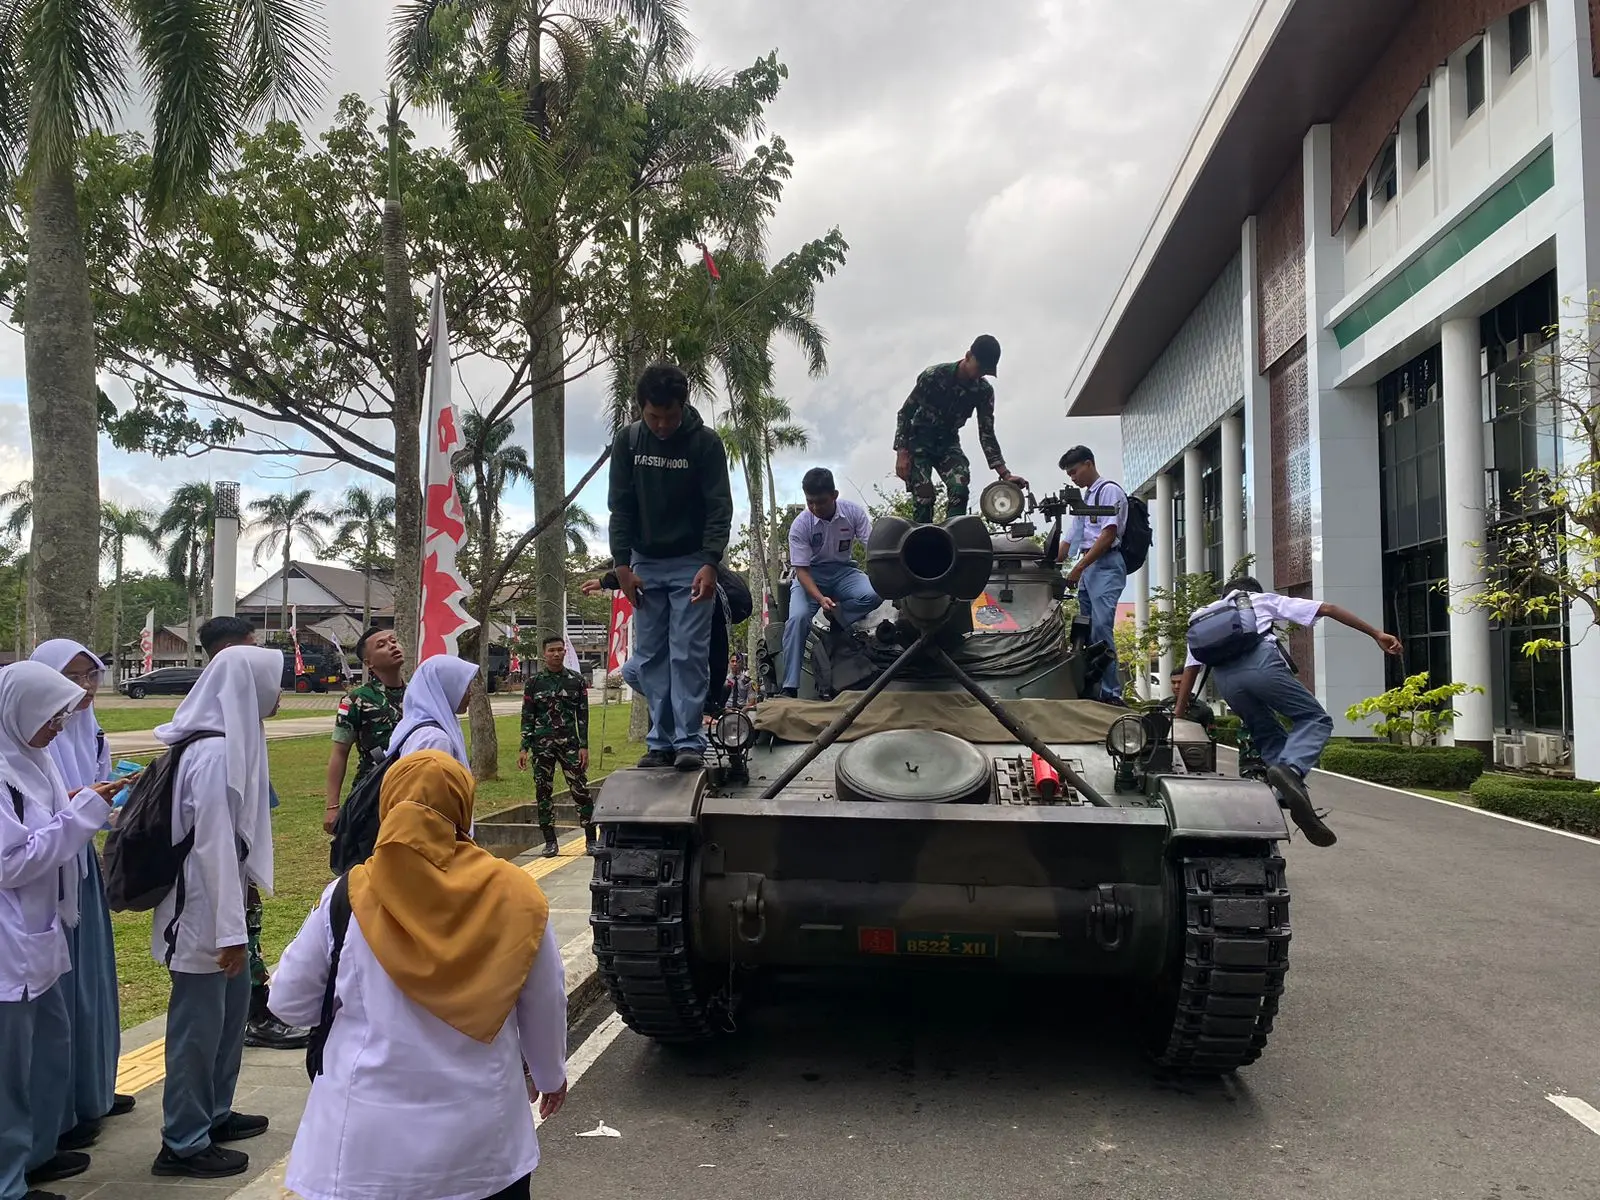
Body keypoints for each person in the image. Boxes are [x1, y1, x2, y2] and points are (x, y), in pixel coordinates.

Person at [268, 750, 567, 1200]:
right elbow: (545, 1001)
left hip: (363, 1151)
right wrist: (549, 1076)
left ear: (388, 805)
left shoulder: (347, 896)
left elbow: (288, 1002)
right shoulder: (516, 895)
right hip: (482, 1148)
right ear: (462, 809)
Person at [149, 644, 284, 1180]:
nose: (276, 698)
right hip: (204, 917)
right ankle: (181, 1142)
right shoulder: (210, 754)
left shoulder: (233, 745)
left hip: (225, 911)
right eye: (269, 686)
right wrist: (229, 931)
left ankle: (214, 1114)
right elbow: (210, 849)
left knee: (228, 1023)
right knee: (197, 1031)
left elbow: (235, 842)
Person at [0, 662, 120, 1200]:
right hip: (11, 942)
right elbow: (13, 861)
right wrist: (84, 813)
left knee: (47, 1048)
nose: (57, 727)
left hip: (41, 931)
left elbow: (47, 823)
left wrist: (78, 802)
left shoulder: (34, 760)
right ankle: (8, 1182)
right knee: (9, 1072)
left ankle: (36, 1152)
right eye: (50, 716)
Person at [1173, 575, 1403, 847]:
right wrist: (1376, 633)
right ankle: (1291, 771)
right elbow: (1328, 609)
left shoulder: (1202, 616)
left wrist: (1177, 714)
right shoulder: (1259, 600)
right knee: (1314, 719)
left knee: (1267, 733)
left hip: (1226, 683)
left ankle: (1285, 796)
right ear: (1250, 592)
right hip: (1261, 666)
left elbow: (1191, 669)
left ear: (1224, 594)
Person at [27, 641, 134, 1155]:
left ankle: (94, 1088)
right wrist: (82, 805)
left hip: (81, 866)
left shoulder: (89, 729)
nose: (84, 689)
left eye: (91, 676)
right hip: (52, 878)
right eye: (72, 677)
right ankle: (64, 1106)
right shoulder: (33, 739)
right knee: (62, 994)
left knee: (93, 981)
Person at [606, 362, 735, 771]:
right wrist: (622, 565)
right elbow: (620, 508)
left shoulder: (706, 445)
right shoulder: (627, 443)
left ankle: (688, 741)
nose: (662, 424)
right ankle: (659, 741)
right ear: (641, 409)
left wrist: (711, 562)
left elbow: (719, 507)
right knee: (650, 656)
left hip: (692, 563)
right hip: (644, 563)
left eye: (670, 416)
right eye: (653, 416)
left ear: (684, 406)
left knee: (687, 653)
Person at [196, 616, 307, 1053]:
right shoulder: (215, 746)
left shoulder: (240, 728)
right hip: (219, 893)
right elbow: (216, 842)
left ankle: (254, 1010)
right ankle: (256, 1015)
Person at [581, 559, 751, 718]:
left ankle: (700, 699)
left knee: (698, 650)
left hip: (723, 597)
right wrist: (605, 582)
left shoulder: (707, 597)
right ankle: (683, 700)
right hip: (713, 599)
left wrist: (712, 698)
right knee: (631, 670)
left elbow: (717, 649)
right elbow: (639, 565)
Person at [893, 335, 1028, 524]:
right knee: (925, 495)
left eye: (985, 372)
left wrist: (1005, 474)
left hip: (948, 443)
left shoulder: (983, 391)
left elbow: (986, 433)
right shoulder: (933, 376)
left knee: (960, 487)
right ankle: (923, 542)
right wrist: (901, 452)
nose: (980, 374)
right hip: (918, 442)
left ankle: (953, 538)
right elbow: (905, 413)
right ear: (968, 356)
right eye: (979, 368)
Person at [779, 468, 881, 698]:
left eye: (821, 502)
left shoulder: (853, 513)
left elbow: (874, 548)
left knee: (875, 593)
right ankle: (789, 686)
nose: (815, 508)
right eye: (809, 502)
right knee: (797, 619)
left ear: (834, 495)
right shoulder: (800, 525)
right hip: (810, 577)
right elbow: (801, 571)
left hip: (844, 572)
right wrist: (819, 598)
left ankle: (839, 617)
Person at [1057, 446, 1129, 704]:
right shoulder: (1083, 500)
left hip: (1106, 563)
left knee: (1101, 627)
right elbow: (1068, 540)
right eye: (1069, 474)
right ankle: (1092, 688)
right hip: (1088, 565)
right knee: (1084, 630)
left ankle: (1111, 693)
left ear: (1089, 464)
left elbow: (1108, 535)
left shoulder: (1109, 490)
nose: (1072, 478)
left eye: (1074, 471)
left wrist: (1078, 568)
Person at [326, 627, 407, 835]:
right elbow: (339, 752)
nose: (392, 646)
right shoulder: (355, 701)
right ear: (368, 663)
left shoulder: (418, 694)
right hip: (373, 792)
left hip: (412, 789)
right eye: (382, 645)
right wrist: (332, 807)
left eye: (393, 641)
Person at [518, 635, 592, 859]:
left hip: (570, 744)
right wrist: (524, 747)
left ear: (565, 652)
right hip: (543, 746)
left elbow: (583, 715)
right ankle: (550, 842)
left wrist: (584, 745)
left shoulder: (576, 681)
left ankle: (591, 839)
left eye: (560, 650)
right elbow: (527, 716)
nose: (557, 654)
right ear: (544, 654)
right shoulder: (534, 683)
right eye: (552, 651)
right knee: (543, 792)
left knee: (580, 790)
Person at [387, 655, 478, 767]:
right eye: (465, 687)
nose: (470, 693)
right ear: (446, 688)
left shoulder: (413, 722)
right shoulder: (435, 740)